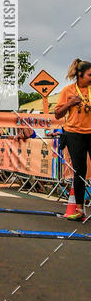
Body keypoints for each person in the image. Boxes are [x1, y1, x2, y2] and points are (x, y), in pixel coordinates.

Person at [54, 58, 91, 221]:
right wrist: (70, 103)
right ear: (80, 74)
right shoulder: (68, 90)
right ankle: (79, 209)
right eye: (90, 75)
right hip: (74, 134)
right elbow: (57, 114)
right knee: (80, 171)